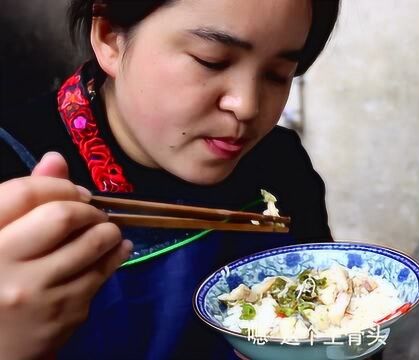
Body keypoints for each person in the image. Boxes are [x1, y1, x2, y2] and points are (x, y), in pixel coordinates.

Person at [0, 0, 340, 358]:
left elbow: (341, 322)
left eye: (278, 74)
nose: (247, 105)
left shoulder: (280, 166)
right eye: (212, 60)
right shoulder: (14, 171)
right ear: (110, 37)